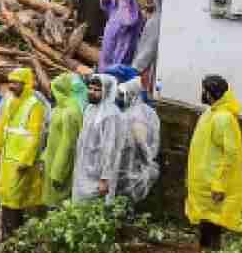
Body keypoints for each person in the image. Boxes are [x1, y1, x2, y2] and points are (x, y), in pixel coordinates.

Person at [0, 68, 47, 236]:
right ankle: (8, 235)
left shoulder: (34, 105)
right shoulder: (7, 102)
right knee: (5, 195)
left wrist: (25, 160)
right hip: (6, 159)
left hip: (21, 161)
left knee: (17, 198)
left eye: (15, 83)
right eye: (10, 82)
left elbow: (35, 136)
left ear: (25, 84)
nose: (11, 86)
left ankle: (16, 235)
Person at [186, 75, 242, 251]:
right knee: (206, 224)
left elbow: (231, 155)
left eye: (205, 90)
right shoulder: (211, 113)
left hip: (213, 186)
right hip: (204, 184)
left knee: (213, 226)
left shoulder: (224, 118)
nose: (202, 93)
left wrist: (219, 184)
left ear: (212, 94)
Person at [72, 74, 126, 204]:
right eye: (90, 88)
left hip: (99, 174)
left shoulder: (111, 114)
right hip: (84, 168)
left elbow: (110, 148)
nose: (91, 92)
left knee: (94, 211)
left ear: (106, 92)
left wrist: (104, 178)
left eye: (96, 90)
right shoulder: (90, 109)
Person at [41, 73, 85, 208]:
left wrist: (58, 173)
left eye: (53, 89)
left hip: (61, 168)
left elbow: (68, 144)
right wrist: (44, 158)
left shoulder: (70, 112)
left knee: (59, 207)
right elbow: (51, 138)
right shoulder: (58, 110)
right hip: (52, 163)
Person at [117, 78, 161, 203]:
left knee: (126, 201)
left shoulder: (136, 115)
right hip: (133, 165)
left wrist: (147, 163)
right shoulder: (142, 111)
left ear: (132, 94)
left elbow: (140, 142)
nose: (119, 98)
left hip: (134, 168)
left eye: (122, 95)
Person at [99, 0, 144, 71]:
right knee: (105, 60)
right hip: (110, 41)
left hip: (124, 45)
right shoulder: (116, 4)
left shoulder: (134, 10)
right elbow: (104, 2)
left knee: (118, 65)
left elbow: (129, 21)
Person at [132, 0, 162, 97]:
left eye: (151, 0)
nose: (148, 3)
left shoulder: (155, 21)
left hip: (146, 64)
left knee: (144, 90)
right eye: (147, 0)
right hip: (144, 61)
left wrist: (138, 65)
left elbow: (151, 46)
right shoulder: (153, 18)